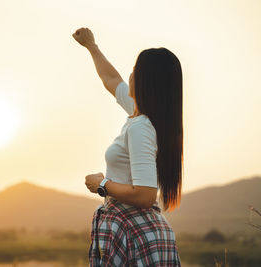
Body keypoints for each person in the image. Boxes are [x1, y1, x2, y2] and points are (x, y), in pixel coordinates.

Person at [72, 27, 183, 266]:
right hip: (142, 231)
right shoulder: (145, 117)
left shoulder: (140, 126)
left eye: (135, 71)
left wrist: (102, 184)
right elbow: (111, 80)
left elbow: (144, 195)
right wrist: (92, 46)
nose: (129, 75)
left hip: (133, 233)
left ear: (145, 82)